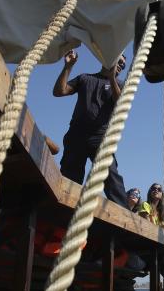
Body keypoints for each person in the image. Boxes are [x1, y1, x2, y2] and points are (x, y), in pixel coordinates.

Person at [54, 49, 128, 206]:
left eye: (123, 65)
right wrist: (68, 67)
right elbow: (59, 92)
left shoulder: (120, 84)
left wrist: (111, 78)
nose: (121, 65)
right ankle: (63, 211)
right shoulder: (85, 78)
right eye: (119, 61)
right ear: (108, 60)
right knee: (69, 178)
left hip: (99, 138)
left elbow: (120, 103)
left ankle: (125, 217)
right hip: (76, 135)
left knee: (111, 177)